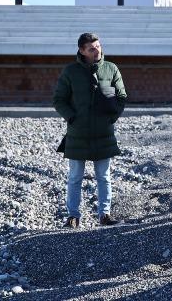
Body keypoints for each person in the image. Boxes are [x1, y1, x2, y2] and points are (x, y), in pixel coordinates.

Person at [53, 32, 127, 228]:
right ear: (82, 51)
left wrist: (111, 119)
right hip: (78, 133)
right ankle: (73, 217)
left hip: (104, 133)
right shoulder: (70, 72)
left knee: (104, 177)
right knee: (75, 177)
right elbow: (58, 100)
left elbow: (121, 97)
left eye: (98, 46)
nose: (97, 50)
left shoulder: (111, 69)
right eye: (92, 48)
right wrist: (72, 118)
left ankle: (105, 215)